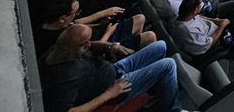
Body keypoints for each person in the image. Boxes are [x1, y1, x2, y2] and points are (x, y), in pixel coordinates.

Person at [41, 24, 190, 112]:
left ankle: (156, 91)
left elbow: (90, 46)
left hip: (114, 68)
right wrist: (109, 94)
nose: (89, 45)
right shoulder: (64, 79)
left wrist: (110, 46)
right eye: (84, 43)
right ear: (69, 48)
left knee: (160, 45)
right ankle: (173, 109)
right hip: (117, 87)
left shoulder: (61, 49)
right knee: (168, 65)